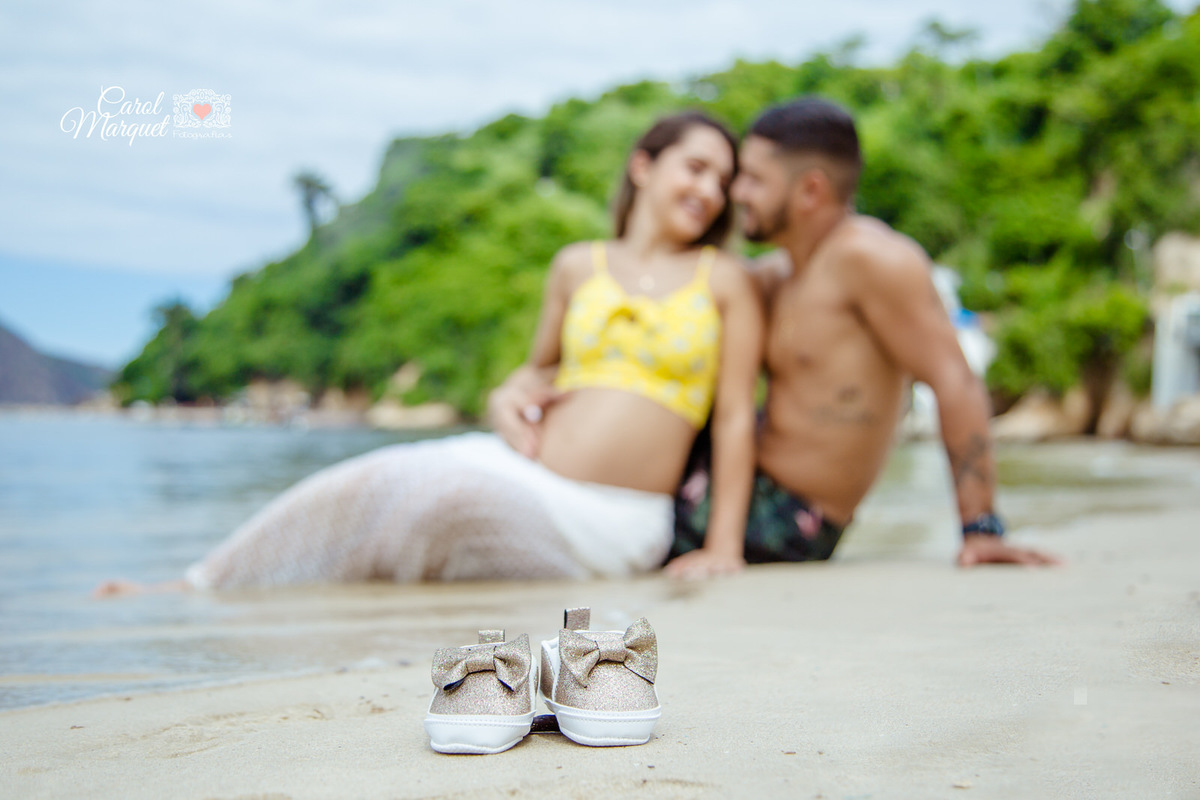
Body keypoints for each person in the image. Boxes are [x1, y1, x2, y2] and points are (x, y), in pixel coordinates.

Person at [95, 110, 762, 597]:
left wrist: (723, 545)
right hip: (523, 467)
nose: (708, 190)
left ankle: (320, 603)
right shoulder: (576, 266)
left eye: (722, 180)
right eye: (695, 167)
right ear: (644, 165)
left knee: (444, 501)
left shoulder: (725, 280)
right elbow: (538, 371)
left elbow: (733, 417)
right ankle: (199, 585)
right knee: (373, 479)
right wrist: (505, 396)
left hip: (614, 516)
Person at [493, 98, 1058, 573]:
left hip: (787, 517)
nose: (734, 194)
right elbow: (647, 334)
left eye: (753, 180)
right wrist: (515, 390)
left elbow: (954, 380)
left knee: (544, 527)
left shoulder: (872, 260)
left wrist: (980, 528)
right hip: (715, 481)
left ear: (810, 190)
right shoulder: (772, 275)